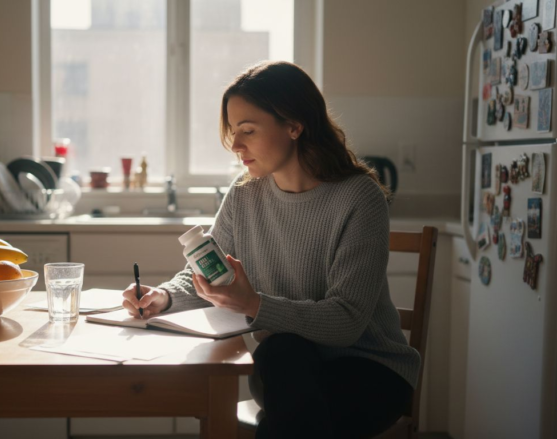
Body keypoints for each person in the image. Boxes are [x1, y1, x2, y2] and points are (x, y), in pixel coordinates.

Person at [121, 61, 418, 438]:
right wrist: (163, 296)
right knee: (283, 354)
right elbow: (211, 274)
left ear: (294, 125)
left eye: (247, 130)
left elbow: (346, 322)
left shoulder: (359, 198)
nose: (235, 145)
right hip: (287, 370)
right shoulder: (245, 196)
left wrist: (253, 304)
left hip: (368, 371)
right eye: (232, 132)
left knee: (290, 399)